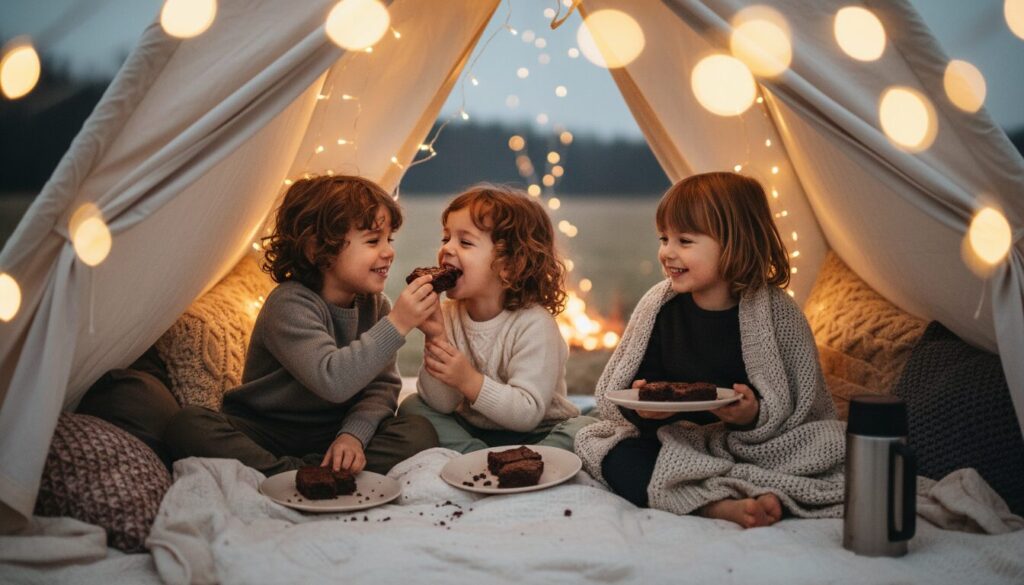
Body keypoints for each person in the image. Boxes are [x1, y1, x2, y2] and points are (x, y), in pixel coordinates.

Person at [574, 172, 845, 528]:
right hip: (673, 439)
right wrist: (647, 410)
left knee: (833, 443)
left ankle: (728, 486)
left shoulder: (777, 312)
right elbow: (633, 385)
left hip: (750, 444)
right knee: (603, 447)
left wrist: (752, 415)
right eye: (664, 238)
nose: (667, 252)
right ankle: (715, 505)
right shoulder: (659, 306)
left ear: (735, 243)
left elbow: (798, 405)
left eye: (684, 240)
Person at [160, 175, 439, 475]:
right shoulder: (289, 305)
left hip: (335, 432)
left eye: (389, 240)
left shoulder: (376, 305)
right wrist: (398, 324)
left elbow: (381, 387)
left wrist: (353, 435)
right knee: (187, 425)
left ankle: (308, 473)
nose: (388, 251)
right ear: (317, 249)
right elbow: (332, 379)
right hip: (267, 431)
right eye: (373, 241)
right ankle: (300, 473)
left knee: (419, 430)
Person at [398, 185, 597, 453]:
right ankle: (479, 455)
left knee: (584, 428)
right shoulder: (448, 315)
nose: (447, 249)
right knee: (413, 406)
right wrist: (436, 336)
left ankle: (526, 458)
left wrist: (469, 380)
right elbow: (442, 404)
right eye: (446, 239)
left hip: (539, 432)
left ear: (510, 266)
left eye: (465, 242)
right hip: (475, 429)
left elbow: (527, 414)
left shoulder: (535, 325)